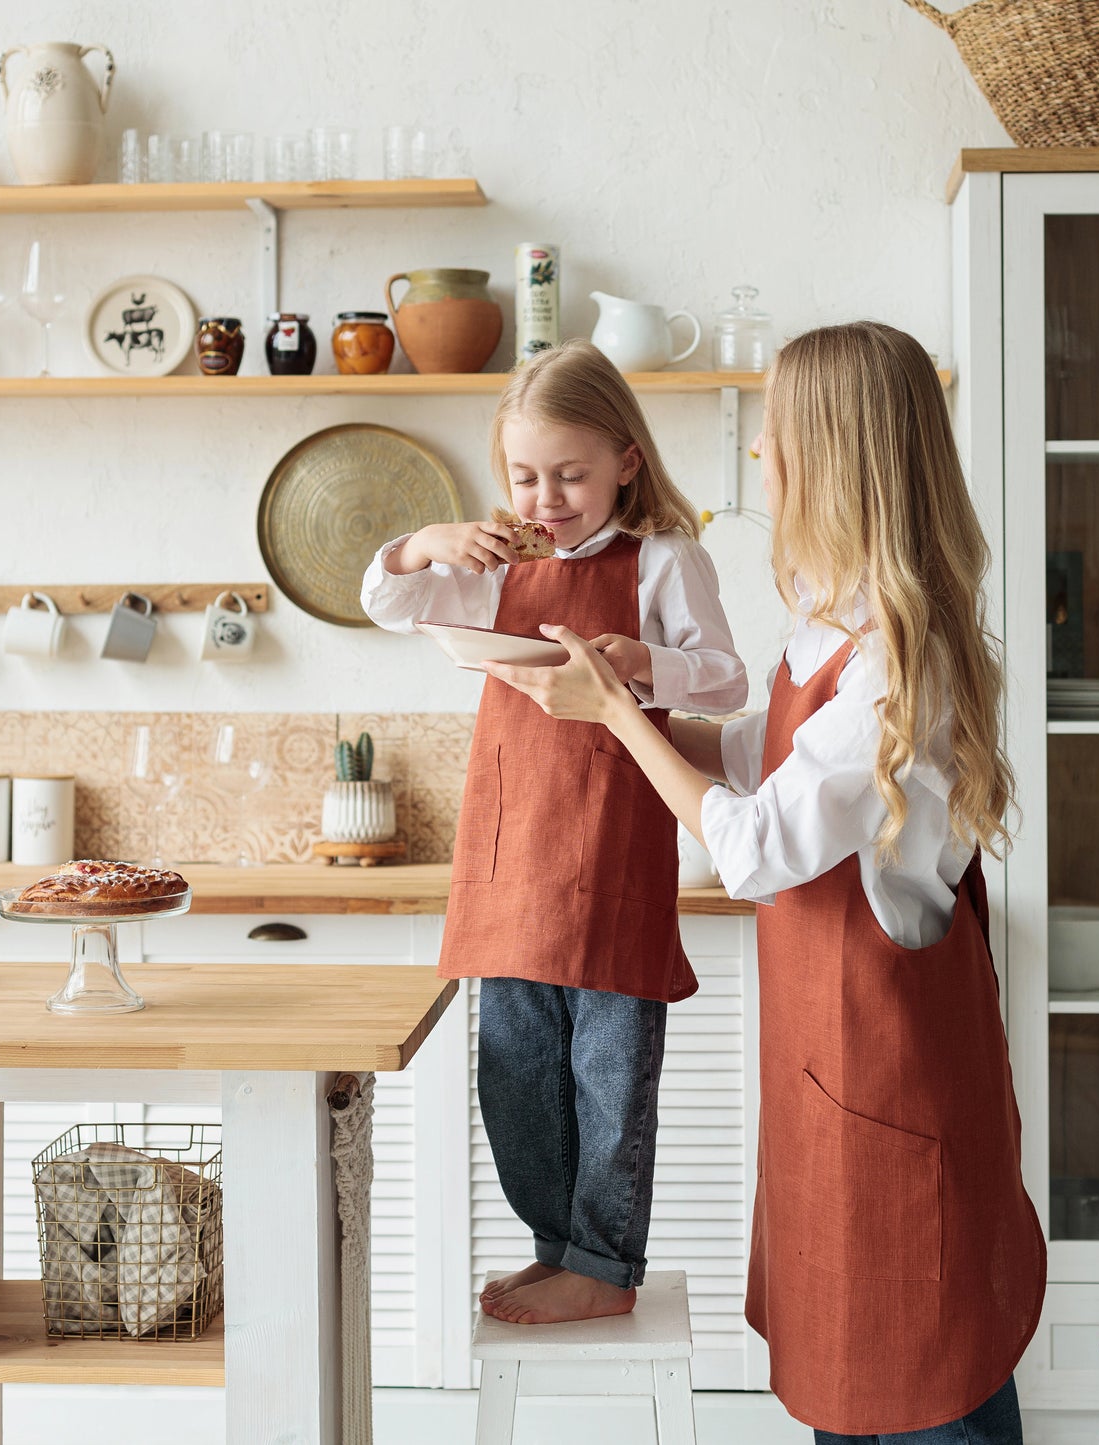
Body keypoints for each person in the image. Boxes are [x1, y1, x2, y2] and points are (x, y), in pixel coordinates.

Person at [485, 322, 1046, 1441]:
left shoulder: (900, 660)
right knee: (848, 1380)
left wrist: (618, 721)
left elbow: (750, 846)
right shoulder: (830, 623)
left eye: (776, 434)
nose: (759, 457)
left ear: (828, 456)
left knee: (940, 1384)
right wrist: (635, 696)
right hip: (828, 1093)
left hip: (899, 1095)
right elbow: (756, 754)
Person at [361, 339, 747, 1326]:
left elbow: (729, 678)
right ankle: (557, 1246)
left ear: (626, 459)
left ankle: (604, 1265)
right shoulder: (499, 562)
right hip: (511, 854)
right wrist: (420, 546)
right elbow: (386, 600)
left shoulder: (665, 556)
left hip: (611, 852)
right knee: (518, 1074)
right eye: (524, 475)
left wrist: (644, 663)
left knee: (607, 1075)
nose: (544, 496)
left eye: (569, 473)